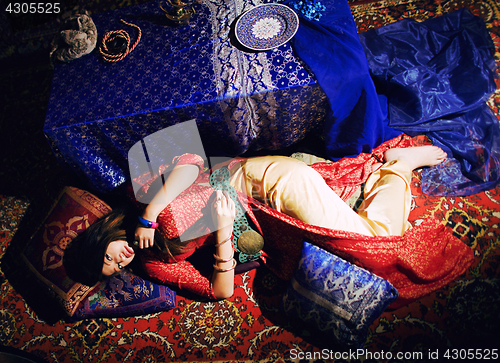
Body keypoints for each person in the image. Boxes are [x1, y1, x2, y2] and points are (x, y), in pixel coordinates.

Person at [64, 142, 471, 307]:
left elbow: (190, 162)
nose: (122, 260)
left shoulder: (137, 200)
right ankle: (393, 174)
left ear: (102, 237)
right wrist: (223, 234)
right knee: (362, 258)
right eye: (115, 268)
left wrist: (151, 212)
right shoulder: (152, 264)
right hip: (256, 226)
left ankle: (399, 167)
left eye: (108, 256)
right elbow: (217, 292)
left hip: (255, 182)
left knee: (373, 244)